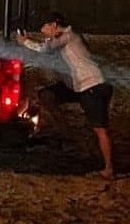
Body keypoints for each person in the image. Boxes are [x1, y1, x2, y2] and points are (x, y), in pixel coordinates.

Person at [18, 11, 117, 180]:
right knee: (46, 95)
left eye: (45, 28)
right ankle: (68, 134)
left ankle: (109, 169)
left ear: (54, 25)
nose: (43, 32)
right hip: (78, 85)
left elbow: (45, 49)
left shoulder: (69, 36)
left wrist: (25, 41)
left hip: (92, 85)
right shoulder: (61, 39)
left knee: (101, 129)